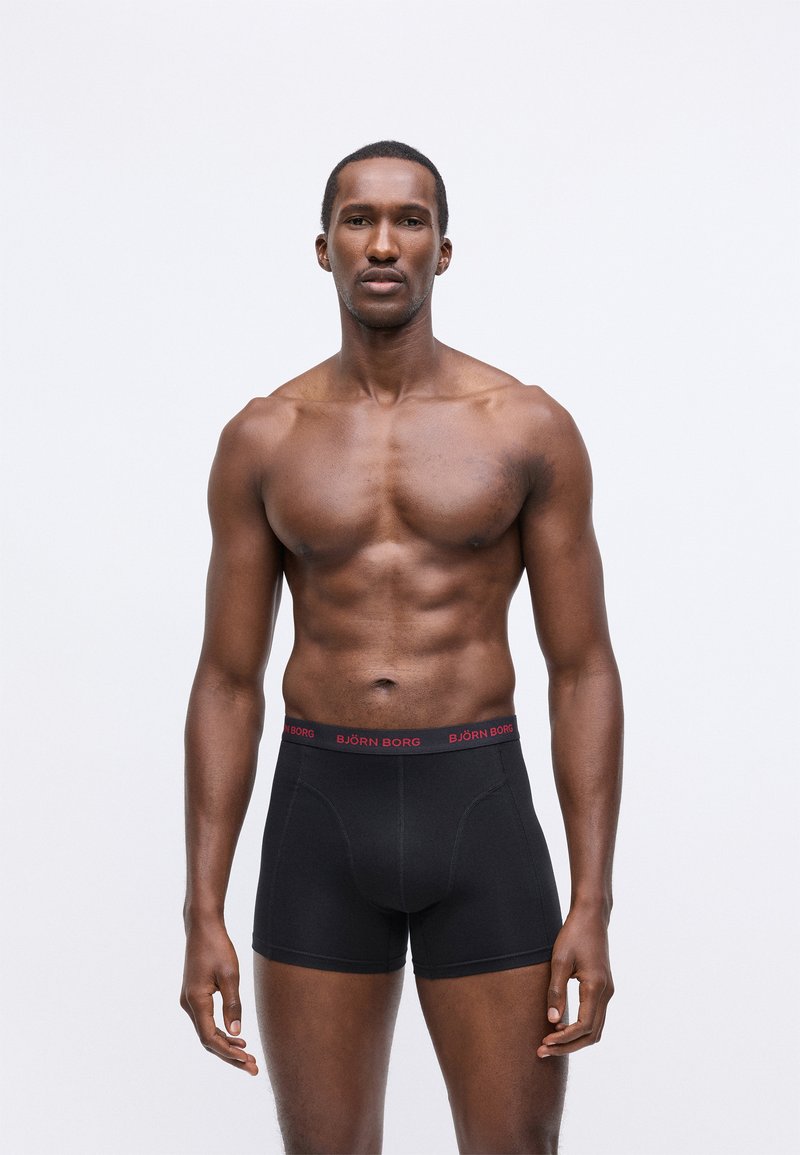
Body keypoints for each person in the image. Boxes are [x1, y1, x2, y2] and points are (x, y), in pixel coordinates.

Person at [180, 140, 623, 1155]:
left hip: (479, 810)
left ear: (443, 250)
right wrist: (201, 909)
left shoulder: (525, 427)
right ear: (324, 247)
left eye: (409, 220)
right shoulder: (264, 437)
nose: (383, 242)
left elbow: (582, 668)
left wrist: (592, 902)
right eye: (359, 219)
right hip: (319, 820)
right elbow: (227, 680)